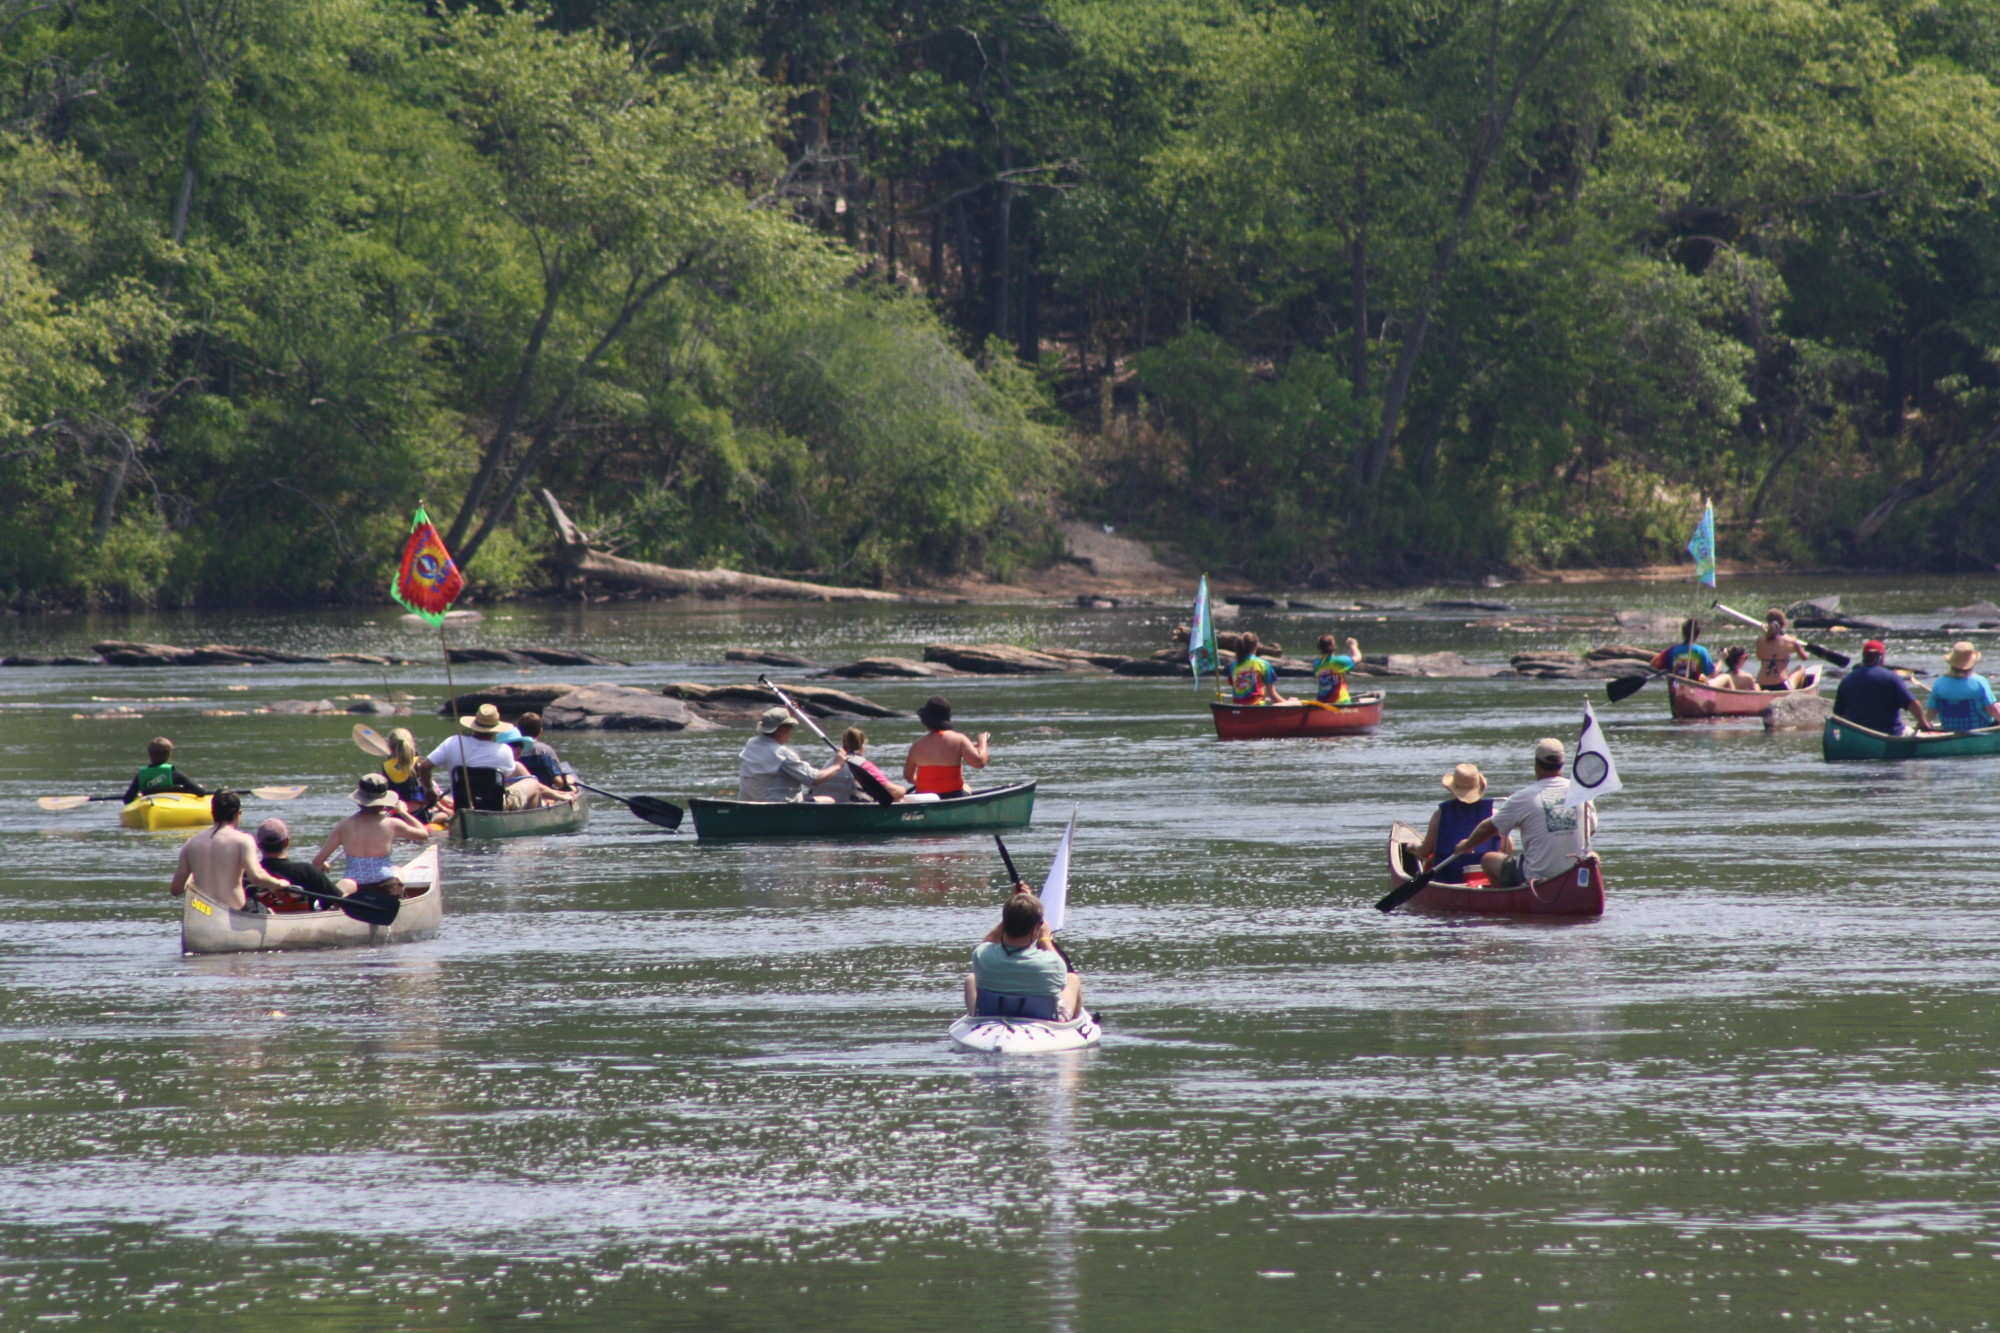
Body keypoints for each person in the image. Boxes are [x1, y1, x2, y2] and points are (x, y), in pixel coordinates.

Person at [1452, 738, 1596, 889]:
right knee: (1593, 856)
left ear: (1536, 765)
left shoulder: (1522, 798)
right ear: (1562, 764)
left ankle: (1505, 903)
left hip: (1537, 877)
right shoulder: (1583, 793)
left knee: (1488, 860)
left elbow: (1488, 828)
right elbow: (1590, 830)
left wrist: (1467, 844)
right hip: (1575, 874)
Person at [963, 888, 1083, 1022]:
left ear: (1005, 923)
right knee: (1072, 979)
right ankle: (1074, 1023)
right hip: (1043, 1018)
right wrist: (1045, 939)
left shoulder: (982, 955)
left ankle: (975, 1018)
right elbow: (1062, 973)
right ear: (1036, 928)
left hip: (991, 1013)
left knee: (971, 979)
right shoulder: (1051, 963)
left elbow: (988, 940)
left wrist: (1015, 910)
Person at [312, 774, 432, 897]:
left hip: (354, 886)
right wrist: (403, 813)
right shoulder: (392, 824)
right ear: (384, 802)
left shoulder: (343, 826)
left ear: (359, 801)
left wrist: (324, 865)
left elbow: (316, 862)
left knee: (345, 883)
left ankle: (337, 904)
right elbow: (424, 834)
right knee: (396, 869)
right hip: (385, 886)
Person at [168, 791, 289, 912]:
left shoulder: (191, 844)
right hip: (236, 912)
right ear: (238, 814)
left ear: (212, 813)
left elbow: (176, 890)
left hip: (204, 911)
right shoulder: (243, 840)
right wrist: (277, 884)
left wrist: (194, 870)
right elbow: (256, 877)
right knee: (271, 912)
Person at [417, 704, 531, 806]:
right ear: (495, 729)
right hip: (495, 806)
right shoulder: (505, 750)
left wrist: (429, 789)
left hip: (462, 805)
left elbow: (424, 766)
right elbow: (508, 778)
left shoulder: (453, 741)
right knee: (533, 783)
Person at [1415, 763, 1511, 883]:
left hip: (1449, 878)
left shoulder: (1440, 814)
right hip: (1486, 877)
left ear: (1453, 788)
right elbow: (1508, 848)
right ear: (1479, 787)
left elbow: (1425, 851)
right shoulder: (1494, 815)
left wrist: (1413, 847)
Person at [739, 706, 846, 802]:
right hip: (779, 808)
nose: (791, 731)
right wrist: (837, 764)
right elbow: (814, 779)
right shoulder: (782, 754)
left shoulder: (751, 743)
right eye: (790, 727)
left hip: (751, 804)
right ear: (781, 730)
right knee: (828, 800)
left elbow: (775, 748)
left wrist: (791, 716)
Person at [1833, 639, 1929, 736]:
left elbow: (1839, 714)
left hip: (1856, 735)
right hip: (1890, 733)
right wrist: (1923, 723)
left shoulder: (1847, 680)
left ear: (1863, 657)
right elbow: (1913, 705)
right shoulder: (1891, 678)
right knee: (1921, 735)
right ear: (1881, 657)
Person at [253, 818, 347, 911]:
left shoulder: (249, 874)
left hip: (258, 923)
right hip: (303, 923)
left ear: (258, 845)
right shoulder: (307, 871)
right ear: (287, 842)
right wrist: (317, 875)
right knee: (346, 884)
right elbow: (342, 903)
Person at [904, 696, 989, 797]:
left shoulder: (917, 745)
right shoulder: (959, 739)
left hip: (924, 796)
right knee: (966, 788)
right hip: (954, 795)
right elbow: (979, 763)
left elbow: (908, 777)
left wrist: (929, 784)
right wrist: (982, 741)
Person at [493, 725, 578, 809]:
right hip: (505, 803)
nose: (518, 748)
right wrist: (560, 796)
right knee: (535, 787)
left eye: (520, 745)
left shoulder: (491, 761)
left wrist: (557, 793)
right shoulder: (517, 766)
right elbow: (538, 787)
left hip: (498, 802)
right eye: (514, 745)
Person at [813, 726, 906, 803]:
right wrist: (902, 789)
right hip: (850, 810)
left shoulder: (830, 762)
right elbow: (893, 791)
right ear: (862, 746)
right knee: (899, 799)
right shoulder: (864, 765)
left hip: (827, 807)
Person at [1926, 641, 2000, 732]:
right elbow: (1991, 709)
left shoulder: (1939, 682)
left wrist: (1924, 724)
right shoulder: (1979, 681)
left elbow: (1931, 711)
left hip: (1949, 728)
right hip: (1980, 728)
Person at [124, 736, 205, 804]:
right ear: (170, 754)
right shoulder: (174, 773)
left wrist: (137, 796)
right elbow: (201, 793)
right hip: (172, 805)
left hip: (150, 804)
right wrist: (199, 788)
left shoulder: (140, 775)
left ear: (149, 755)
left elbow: (127, 799)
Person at [514, 712, 576, 792]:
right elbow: (558, 783)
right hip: (543, 794)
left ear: (518, 730)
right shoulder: (545, 750)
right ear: (540, 732)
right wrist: (568, 780)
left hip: (520, 792)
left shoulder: (512, 750)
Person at [380, 727, 435, 815]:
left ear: (389, 747)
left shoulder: (386, 766)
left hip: (396, 812)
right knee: (440, 815)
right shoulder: (417, 764)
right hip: (418, 812)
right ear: (412, 744)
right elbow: (426, 790)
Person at [1754, 608, 1811, 690]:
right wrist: (1798, 646)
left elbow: (1760, 657)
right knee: (1801, 668)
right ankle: (1796, 693)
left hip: (1761, 684)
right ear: (1784, 623)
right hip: (1781, 685)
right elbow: (1804, 657)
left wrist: (1766, 633)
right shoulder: (1791, 640)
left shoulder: (1760, 639)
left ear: (1768, 623)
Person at [1228, 632, 1289, 705]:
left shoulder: (1233, 666)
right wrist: (1291, 702)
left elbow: (1235, 686)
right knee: (1294, 701)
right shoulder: (1263, 664)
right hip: (1257, 708)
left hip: (1238, 708)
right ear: (1256, 646)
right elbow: (1273, 696)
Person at [1649, 618, 1714, 679]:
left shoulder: (1672, 650)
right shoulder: (1702, 651)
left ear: (1683, 634)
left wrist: (1670, 667)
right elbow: (1710, 673)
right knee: (1724, 677)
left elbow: (1653, 664)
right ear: (1698, 634)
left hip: (1677, 684)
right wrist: (1722, 660)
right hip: (1695, 685)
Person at [1313, 634, 1363, 704]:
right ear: (1334, 647)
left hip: (1322, 704)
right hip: (1341, 703)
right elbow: (1358, 657)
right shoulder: (1339, 661)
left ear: (1319, 648)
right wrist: (1353, 645)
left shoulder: (1316, 664)